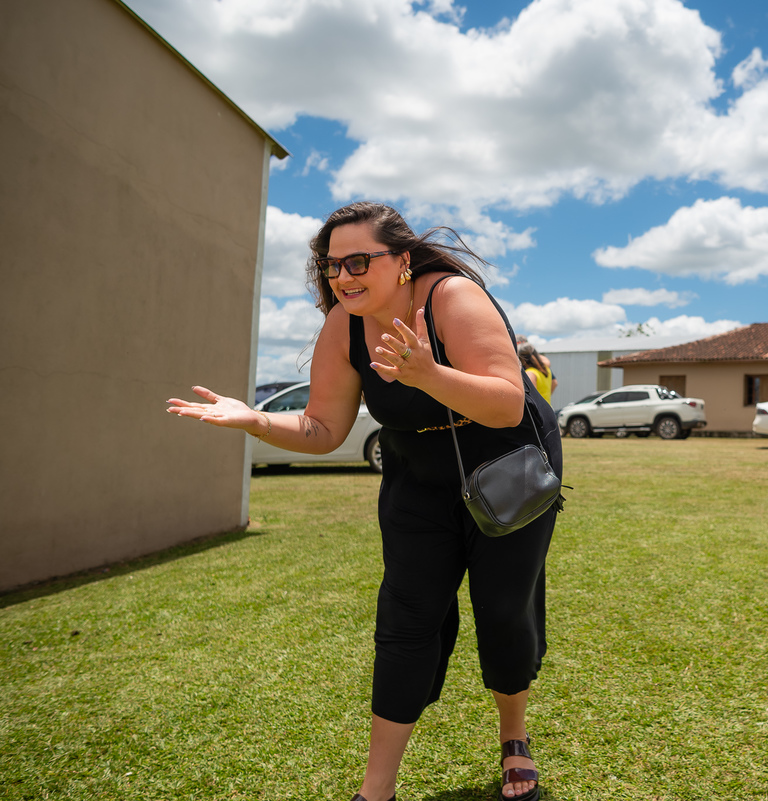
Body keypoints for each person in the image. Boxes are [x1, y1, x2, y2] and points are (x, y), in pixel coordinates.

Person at [168, 201, 561, 801]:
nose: (343, 277)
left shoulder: (452, 298)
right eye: (332, 267)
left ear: (402, 262)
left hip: (505, 464)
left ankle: (514, 740)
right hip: (417, 478)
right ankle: (376, 790)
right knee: (406, 619)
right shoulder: (342, 327)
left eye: (358, 261)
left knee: (504, 610)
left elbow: (507, 404)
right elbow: (322, 430)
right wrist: (255, 422)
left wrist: (426, 373)